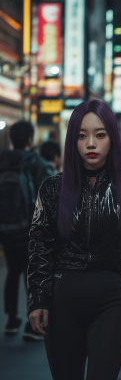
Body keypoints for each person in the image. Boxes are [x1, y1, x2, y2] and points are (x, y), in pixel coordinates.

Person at [27, 100, 121, 380]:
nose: (90, 143)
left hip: (111, 301)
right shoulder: (52, 188)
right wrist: (38, 300)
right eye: (81, 135)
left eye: (100, 134)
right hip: (62, 302)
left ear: (113, 137)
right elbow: (40, 246)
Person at [0, 120, 54, 341]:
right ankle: (33, 325)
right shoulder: (38, 163)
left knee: (13, 271)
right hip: (32, 230)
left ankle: (11, 320)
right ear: (30, 138)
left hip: (5, 229)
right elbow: (50, 201)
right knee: (31, 274)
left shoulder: (2, 161)